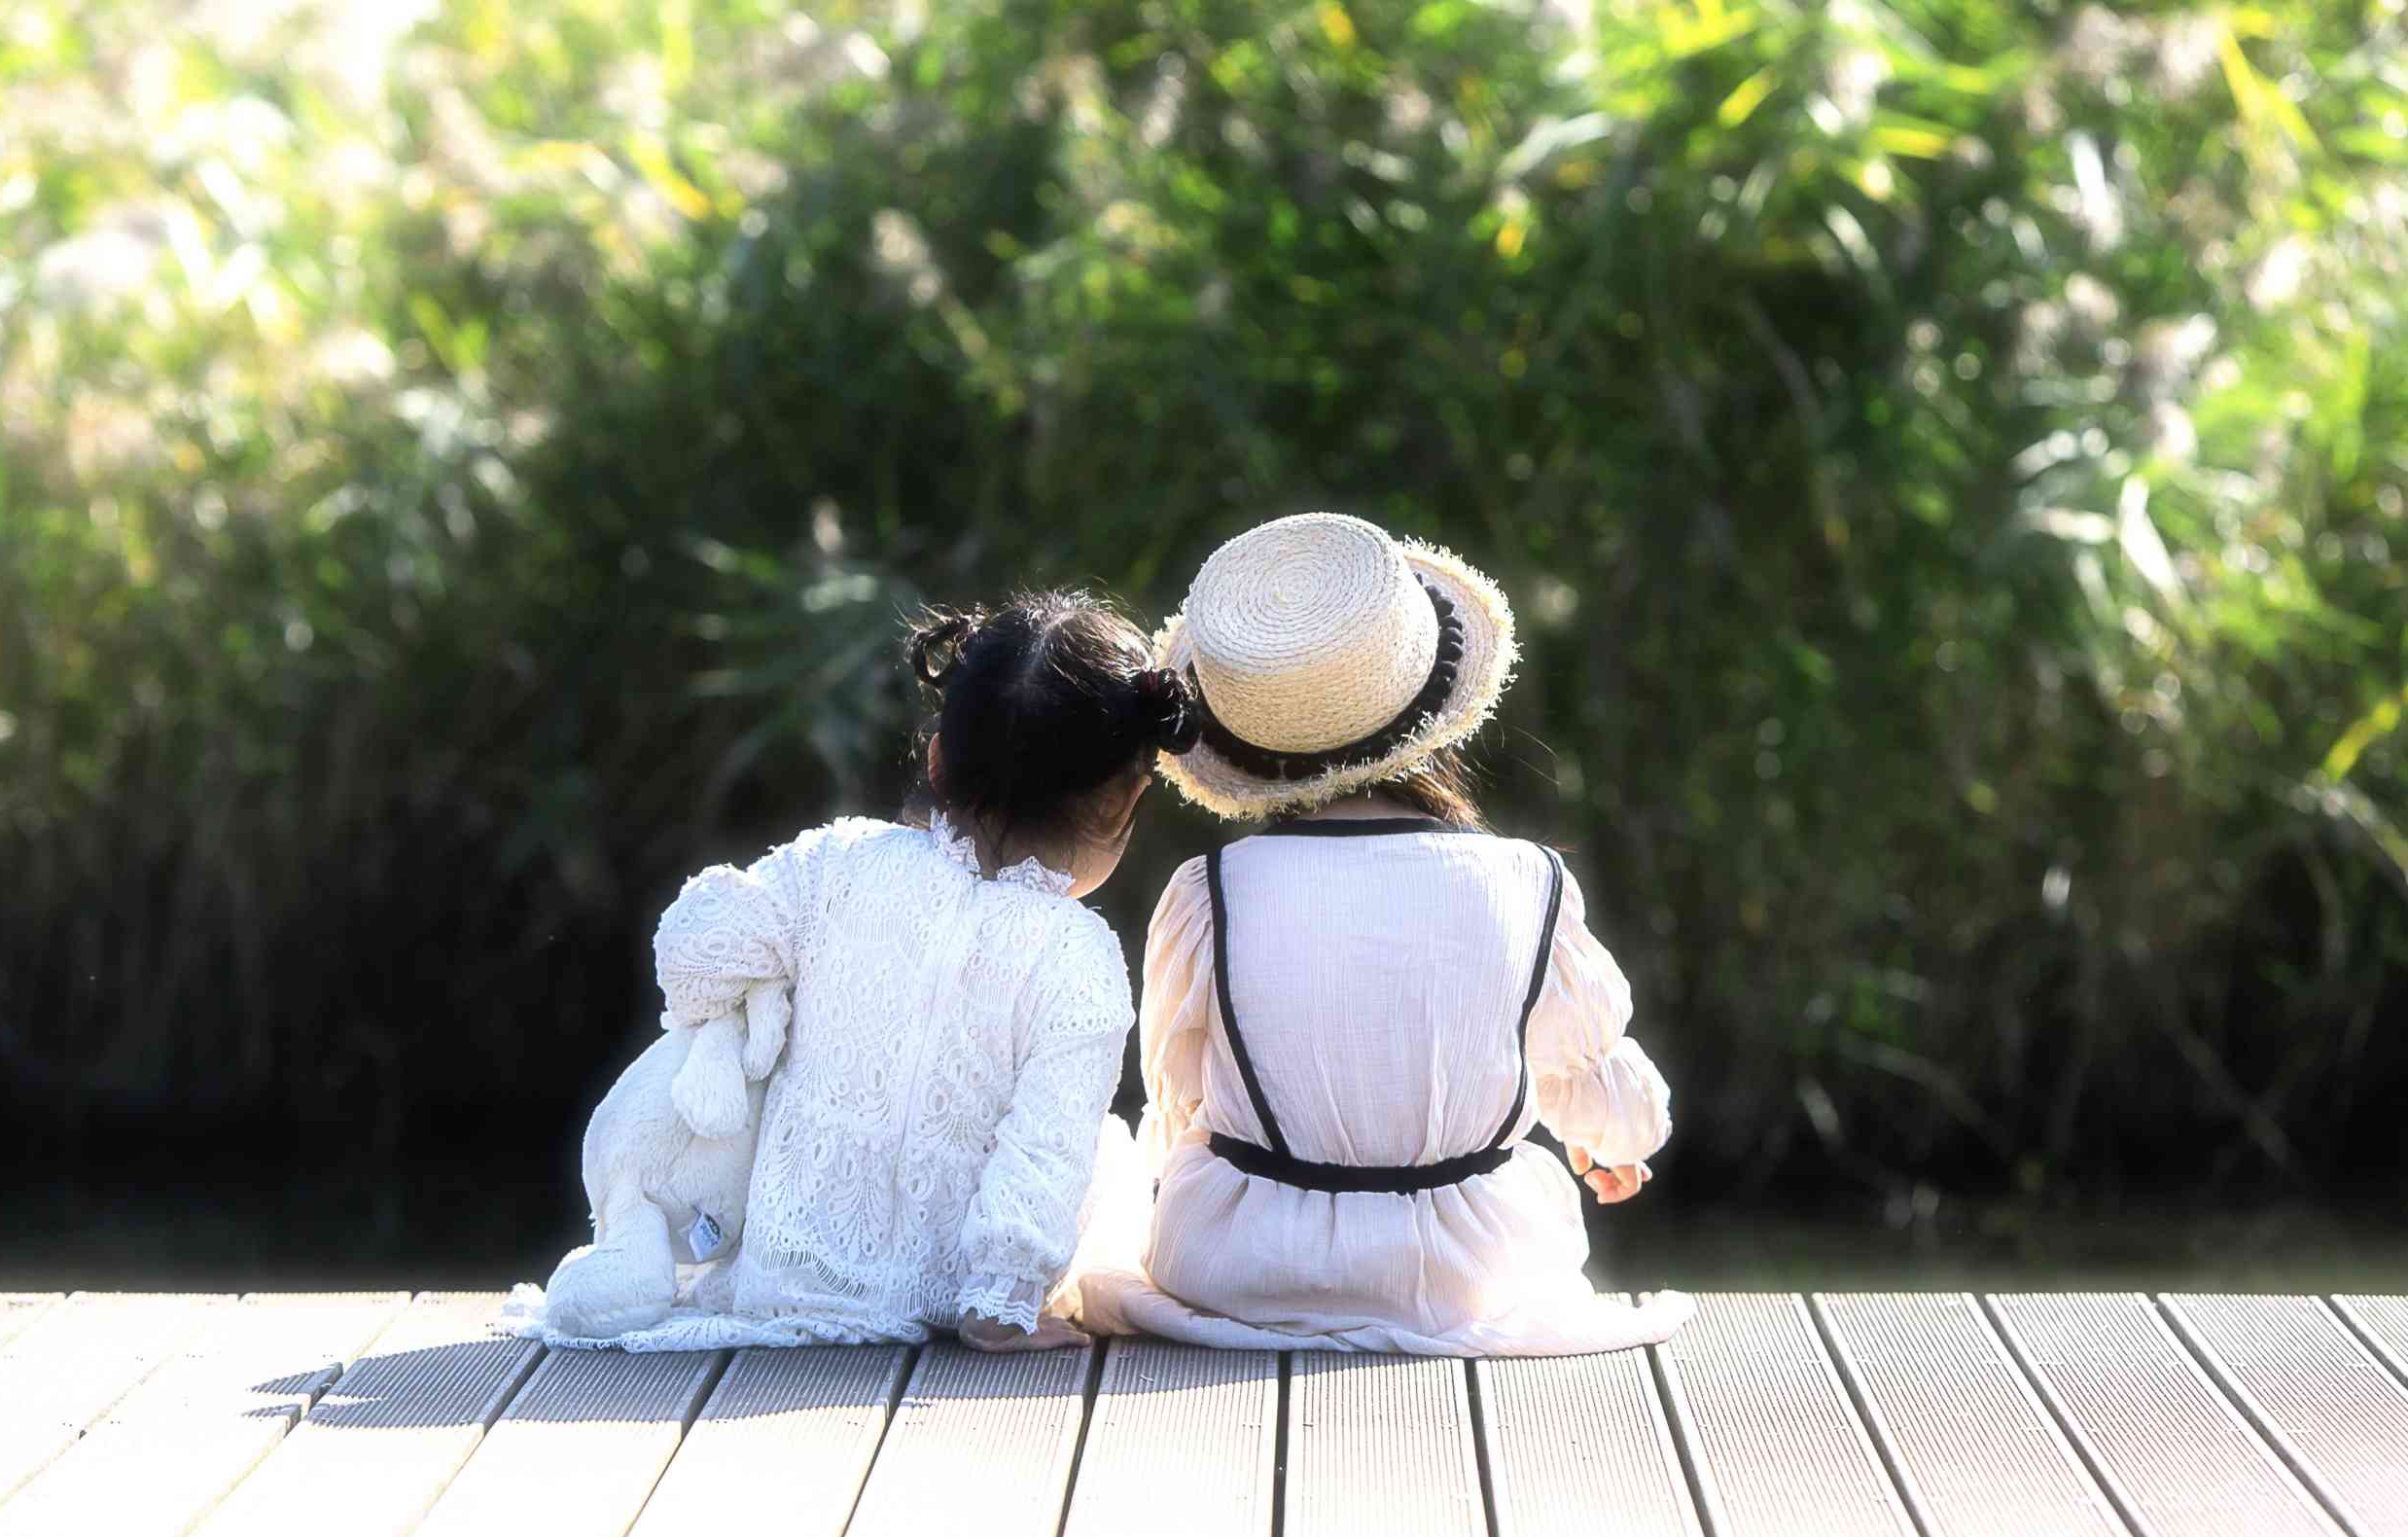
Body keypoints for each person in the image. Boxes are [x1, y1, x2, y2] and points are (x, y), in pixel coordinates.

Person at [504, 591, 1197, 1353]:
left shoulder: (835, 865)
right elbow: (1045, 1151)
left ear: (937, 760)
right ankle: (999, 1297)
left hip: (782, 1279)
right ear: (1122, 802)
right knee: (1103, 1146)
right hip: (944, 1297)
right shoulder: (1078, 955)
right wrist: (1000, 1306)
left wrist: (757, 1003)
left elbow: (693, 950)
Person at [1075, 514, 1692, 1355]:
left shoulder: (1210, 891)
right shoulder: (1527, 879)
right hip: (1474, 1274)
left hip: (1243, 1271)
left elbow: (1180, 1102)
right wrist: (1612, 1141)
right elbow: (1596, 1082)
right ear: (1430, 706)